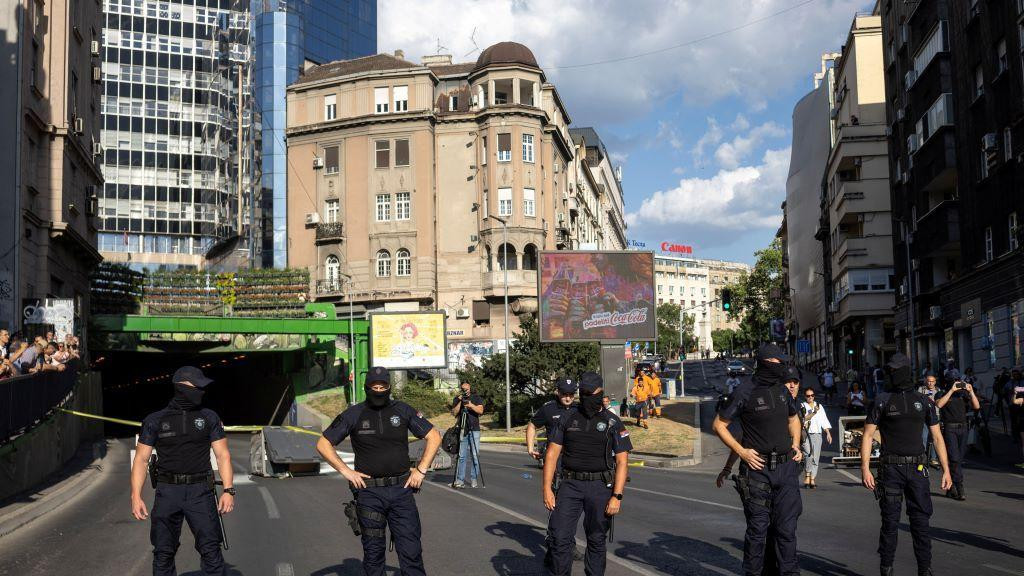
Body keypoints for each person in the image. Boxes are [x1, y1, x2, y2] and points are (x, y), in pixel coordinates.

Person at [317, 366, 441, 576]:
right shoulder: (354, 414)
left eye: (382, 386)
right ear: (366, 388)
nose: (378, 390)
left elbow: (434, 436)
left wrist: (420, 470)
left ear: (389, 387)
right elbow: (323, 444)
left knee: (411, 552)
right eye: (374, 386)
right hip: (369, 493)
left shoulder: (402, 410)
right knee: (373, 556)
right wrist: (347, 472)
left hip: (402, 491)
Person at [131, 366, 234, 576]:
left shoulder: (209, 417)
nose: (202, 391)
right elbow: (141, 460)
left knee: (211, 552)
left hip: (201, 493)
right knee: (163, 553)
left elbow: (223, 455)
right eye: (198, 386)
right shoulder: (155, 420)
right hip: (167, 492)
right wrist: (136, 496)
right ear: (182, 387)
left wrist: (228, 490)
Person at [713, 344, 803, 576]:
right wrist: (741, 452)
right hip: (757, 472)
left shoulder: (782, 390)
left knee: (786, 531)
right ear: (765, 363)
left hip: (786, 469)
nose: (782, 366)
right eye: (778, 362)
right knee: (758, 531)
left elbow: (794, 419)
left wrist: (796, 443)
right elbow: (719, 425)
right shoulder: (744, 391)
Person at [861, 354, 951, 576]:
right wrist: (865, 468)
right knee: (890, 523)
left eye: (895, 370)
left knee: (921, 523)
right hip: (890, 470)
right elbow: (867, 435)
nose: (892, 374)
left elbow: (938, 438)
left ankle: (925, 570)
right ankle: (886, 569)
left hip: (918, 470)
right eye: (889, 370)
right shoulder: (882, 400)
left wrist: (947, 470)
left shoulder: (924, 402)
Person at [543, 371, 632, 576]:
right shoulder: (567, 417)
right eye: (583, 393)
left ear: (601, 393)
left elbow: (622, 460)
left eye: (591, 393)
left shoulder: (612, 422)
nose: (587, 398)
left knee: (596, 539)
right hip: (570, 485)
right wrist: (547, 488)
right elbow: (552, 454)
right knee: (559, 538)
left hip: (600, 487)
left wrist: (617, 496)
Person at [935, 376, 979, 500]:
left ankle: (951, 486)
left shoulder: (963, 394)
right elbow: (939, 404)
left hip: (963, 428)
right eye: (954, 383)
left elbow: (976, 406)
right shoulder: (942, 393)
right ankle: (959, 486)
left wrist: (971, 392)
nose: (957, 385)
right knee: (954, 458)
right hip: (950, 428)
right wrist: (951, 391)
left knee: (958, 458)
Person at [451, 380, 484, 488]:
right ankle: (460, 479)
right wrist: (460, 401)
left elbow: (480, 411)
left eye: (467, 389)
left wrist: (470, 405)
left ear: (470, 388)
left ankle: (474, 478)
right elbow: (454, 413)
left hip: (474, 429)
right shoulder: (457, 398)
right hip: (462, 429)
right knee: (462, 456)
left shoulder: (476, 397)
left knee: (475, 455)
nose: (465, 391)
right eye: (463, 389)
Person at [800, 388, 832, 489]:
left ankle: (812, 479)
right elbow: (803, 419)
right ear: (805, 396)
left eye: (812, 395)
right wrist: (814, 412)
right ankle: (807, 475)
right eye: (808, 396)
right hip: (806, 434)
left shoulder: (819, 406)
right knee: (808, 454)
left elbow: (824, 420)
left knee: (816, 458)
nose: (810, 397)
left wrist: (828, 433)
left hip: (817, 434)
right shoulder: (802, 406)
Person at [918, 374, 940, 468]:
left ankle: (933, 458)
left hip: (936, 416)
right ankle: (922, 457)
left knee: (934, 438)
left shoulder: (938, 390)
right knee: (924, 437)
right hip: (925, 415)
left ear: (935, 382)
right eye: (929, 381)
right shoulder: (921, 390)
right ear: (926, 381)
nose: (930, 383)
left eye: (932, 381)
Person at [1007, 368, 1024, 469]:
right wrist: (1014, 393)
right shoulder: (1010, 383)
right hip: (1017, 412)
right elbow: (1013, 401)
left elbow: (1015, 400)